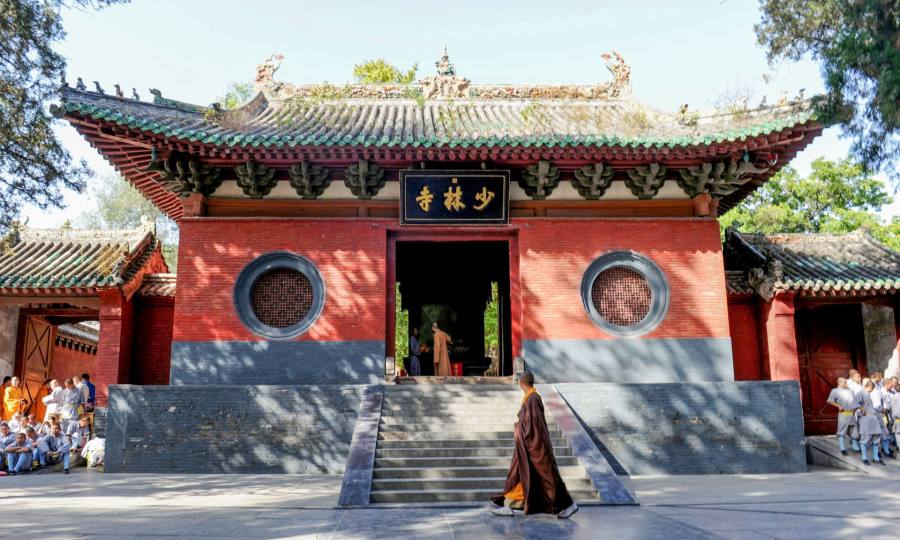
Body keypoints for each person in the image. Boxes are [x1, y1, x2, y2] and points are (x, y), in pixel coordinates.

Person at [491, 371, 578, 519]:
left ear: (521, 383)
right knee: (518, 475)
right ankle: (508, 506)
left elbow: (534, 425)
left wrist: (518, 428)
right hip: (527, 446)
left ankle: (569, 505)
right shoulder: (530, 397)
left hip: (535, 446)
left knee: (548, 479)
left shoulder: (532, 399)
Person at [826, 377, 860, 455]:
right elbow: (829, 401)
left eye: (846, 382)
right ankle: (843, 448)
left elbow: (854, 400)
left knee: (854, 430)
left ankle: (855, 446)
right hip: (843, 414)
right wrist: (838, 406)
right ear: (839, 383)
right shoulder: (835, 391)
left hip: (851, 414)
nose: (846, 383)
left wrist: (855, 408)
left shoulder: (850, 390)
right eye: (845, 382)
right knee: (842, 431)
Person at [858, 381, 884, 466]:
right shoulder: (861, 393)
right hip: (866, 418)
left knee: (876, 436)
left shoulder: (869, 394)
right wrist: (861, 408)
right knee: (865, 438)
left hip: (874, 417)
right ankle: (864, 458)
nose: (872, 390)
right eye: (872, 388)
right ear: (869, 386)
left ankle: (875, 458)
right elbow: (854, 403)